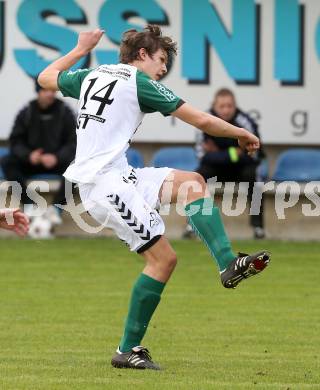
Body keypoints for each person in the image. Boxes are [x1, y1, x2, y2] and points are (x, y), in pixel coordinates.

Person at [38, 26, 271, 370]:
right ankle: (127, 349)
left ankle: (227, 263)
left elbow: (46, 77)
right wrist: (241, 132)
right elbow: (202, 119)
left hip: (120, 176)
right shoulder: (138, 81)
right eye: (161, 60)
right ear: (142, 54)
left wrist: (80, 48)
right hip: (104, 185)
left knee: (193, 183)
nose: (163, 69)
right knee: (163, 260)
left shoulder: (92, 75)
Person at [1, 80, 77, 226]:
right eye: (45, 90)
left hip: (57, 162)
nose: (50, 94)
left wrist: (57, 157)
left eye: (52, 90)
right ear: (38, 92)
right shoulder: (27, 112)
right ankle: (30, 207)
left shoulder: (65, 112)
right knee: (7, 161)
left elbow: (73, 142)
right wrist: (29, 155)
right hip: (32, 162)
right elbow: (15, 141)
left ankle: (56, 210)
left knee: (77, 166)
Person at [195, 88, 266, 239]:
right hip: (216, 169)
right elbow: (203, 157)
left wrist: (216, 153)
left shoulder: (245, 121)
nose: (226, 110)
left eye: (230, 106)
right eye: (222, 106)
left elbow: (253, 155)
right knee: (197, 176)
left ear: (235, 106)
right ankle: (192, 225)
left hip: (241, 169)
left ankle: (258, 227)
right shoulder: (205, 121)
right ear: (214, 106)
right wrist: (235, 152)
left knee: (254, 177)